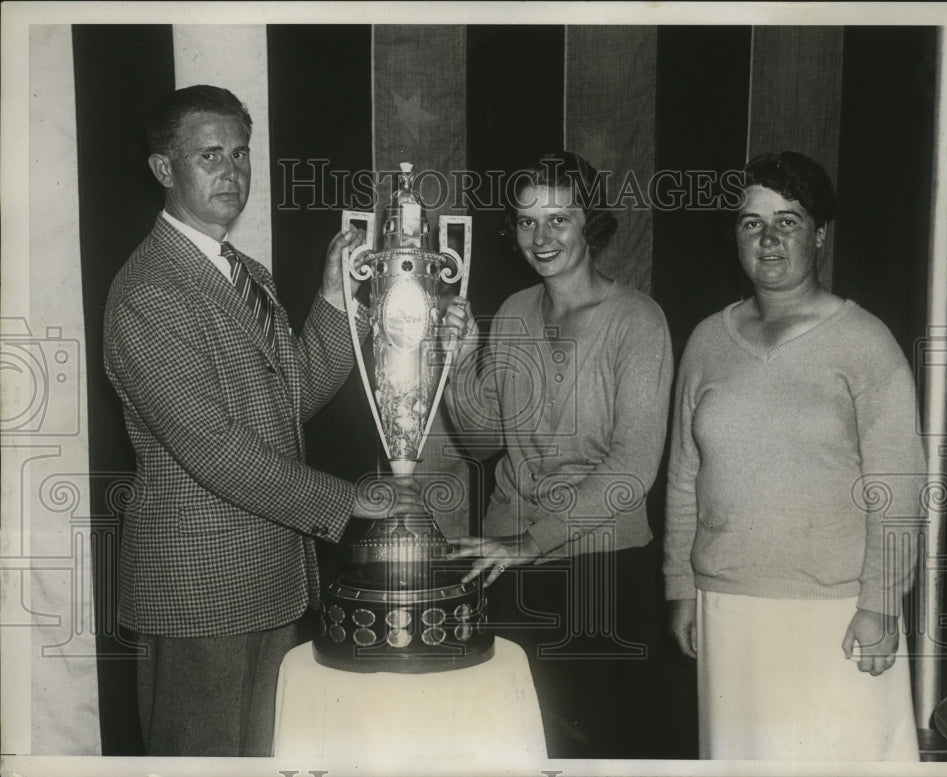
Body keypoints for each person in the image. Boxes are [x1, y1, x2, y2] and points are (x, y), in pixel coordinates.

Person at [102, 84, 422, 757]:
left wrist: (334, 299)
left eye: (241, 154)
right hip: (200, 589)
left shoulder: (244, 272)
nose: (233, 172)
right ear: (165, 169)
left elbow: (289, 397)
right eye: (209, 155)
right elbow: (215, 446)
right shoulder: (149, 291)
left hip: (270, 578)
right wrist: (351, 500)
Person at [663, 151, 925, 760]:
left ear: (820, 236)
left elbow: (898, 485)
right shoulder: (706, 340)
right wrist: (681, 585)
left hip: (837, 613)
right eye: (752, 222)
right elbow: (683, 476)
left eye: (789, 220)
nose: (770, 237)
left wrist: (881, 604)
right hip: (729, 608)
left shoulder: (864, 342)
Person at [443, 152, 674, 758]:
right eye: (525, 222)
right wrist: (464, 356)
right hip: (511, 567)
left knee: (602, 751)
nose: (540, 238)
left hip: (602, 569)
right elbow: (481, 442)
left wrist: (532, 543)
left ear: (589, 222)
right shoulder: (515, 312)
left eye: (558, 220)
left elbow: (632, 471)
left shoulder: (638, 321)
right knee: (520, 748)